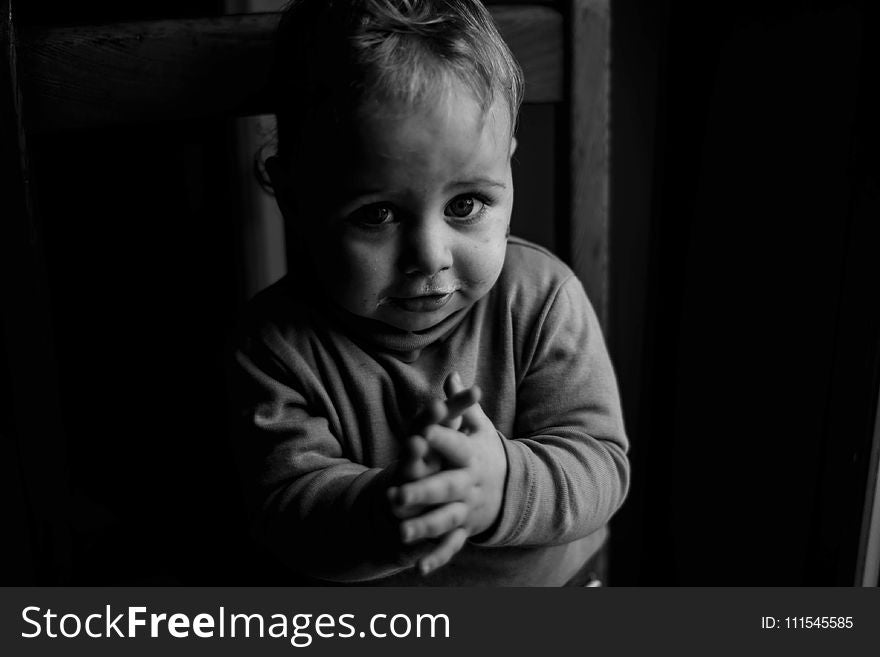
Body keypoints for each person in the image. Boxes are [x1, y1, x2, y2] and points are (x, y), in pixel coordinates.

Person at [229, 0, 629, 585]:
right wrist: (394, 510)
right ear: (294, 200)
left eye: (466, 205)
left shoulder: (541, 300)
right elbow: (286, 512)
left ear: (508, 170)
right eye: (379, 213)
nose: (430, 257)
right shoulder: (274, 348)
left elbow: (601, 464)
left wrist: (502, 486)